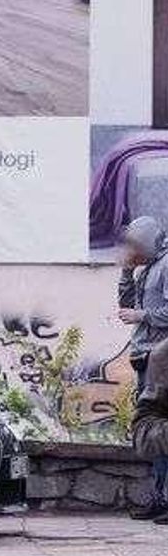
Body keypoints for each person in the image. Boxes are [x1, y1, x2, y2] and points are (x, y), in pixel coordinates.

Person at [118, 216, 168, 521]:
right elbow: (125, 301)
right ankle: (159, 498)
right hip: (144, 357)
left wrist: (141, 315)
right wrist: (126, 271)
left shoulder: (166, 266)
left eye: (136, 245)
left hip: (162, 359)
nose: (132, 250)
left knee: (161, 430)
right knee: (151, 433)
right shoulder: (147, 267)